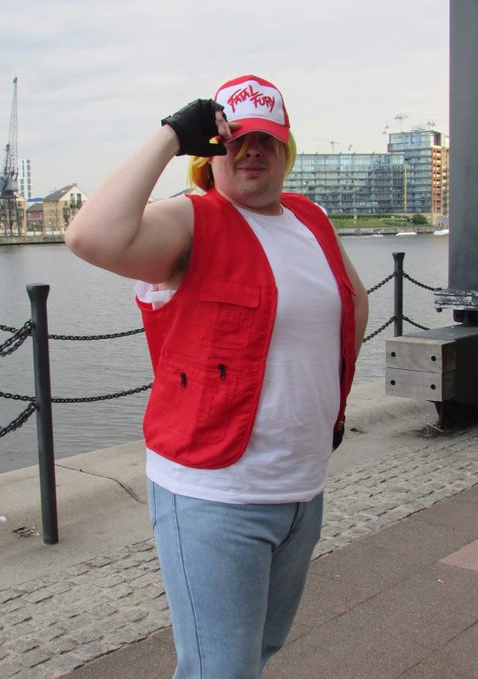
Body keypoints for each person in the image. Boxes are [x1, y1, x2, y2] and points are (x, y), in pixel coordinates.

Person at [66, 73, 368, 679]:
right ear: (209, 153)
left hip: (301, 487)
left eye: (266, 139)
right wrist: (171, 134)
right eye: (234, 139)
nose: (251, 151)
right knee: (219, 669)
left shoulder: (310, 218)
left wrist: (325, 412)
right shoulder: (190, 221)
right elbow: (90, 237)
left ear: (285, 147)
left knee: (258, 652)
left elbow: (353, 302)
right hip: (215, 496)